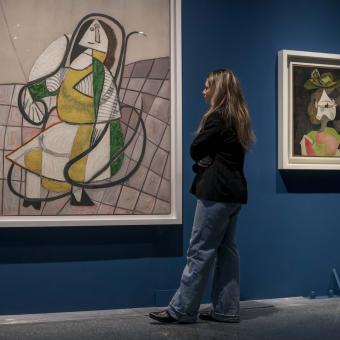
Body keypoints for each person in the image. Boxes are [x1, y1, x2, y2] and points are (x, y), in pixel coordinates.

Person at [149, 69, 255, 323]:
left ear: (218, 89)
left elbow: (196, 149)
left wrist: (204, 159)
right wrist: (207, 159)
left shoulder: (217, 117)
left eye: (207, 86)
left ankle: (182, 310)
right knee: (227, 251)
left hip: (216, 192)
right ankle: (226, 309)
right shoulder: (238, 118)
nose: (203, 91)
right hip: (234, 192)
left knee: (200, 250)